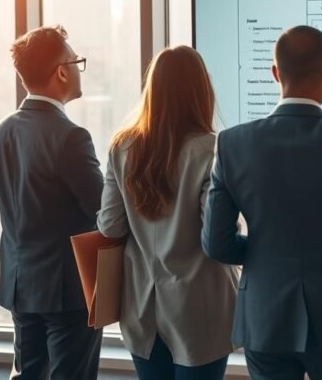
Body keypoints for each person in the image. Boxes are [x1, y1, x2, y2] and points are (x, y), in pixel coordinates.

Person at [202, 18, 322, 380]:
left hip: (265, 318)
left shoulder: (232, 145)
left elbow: (216, 243)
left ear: (275, 73)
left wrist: (265, 255)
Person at [98, 46, 238, 380]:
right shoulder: (213, 148)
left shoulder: (123, 147)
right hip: (199, 304)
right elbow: (215, 231)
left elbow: (110, 226)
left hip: (140, 304)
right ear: (202, 89)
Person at [0, 26, 103, 380]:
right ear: (62, 71)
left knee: (28, 375)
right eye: (77, 61)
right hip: (68, 286)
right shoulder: (70, 137)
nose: (80, 69)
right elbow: (102, 209)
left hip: (21, 281)